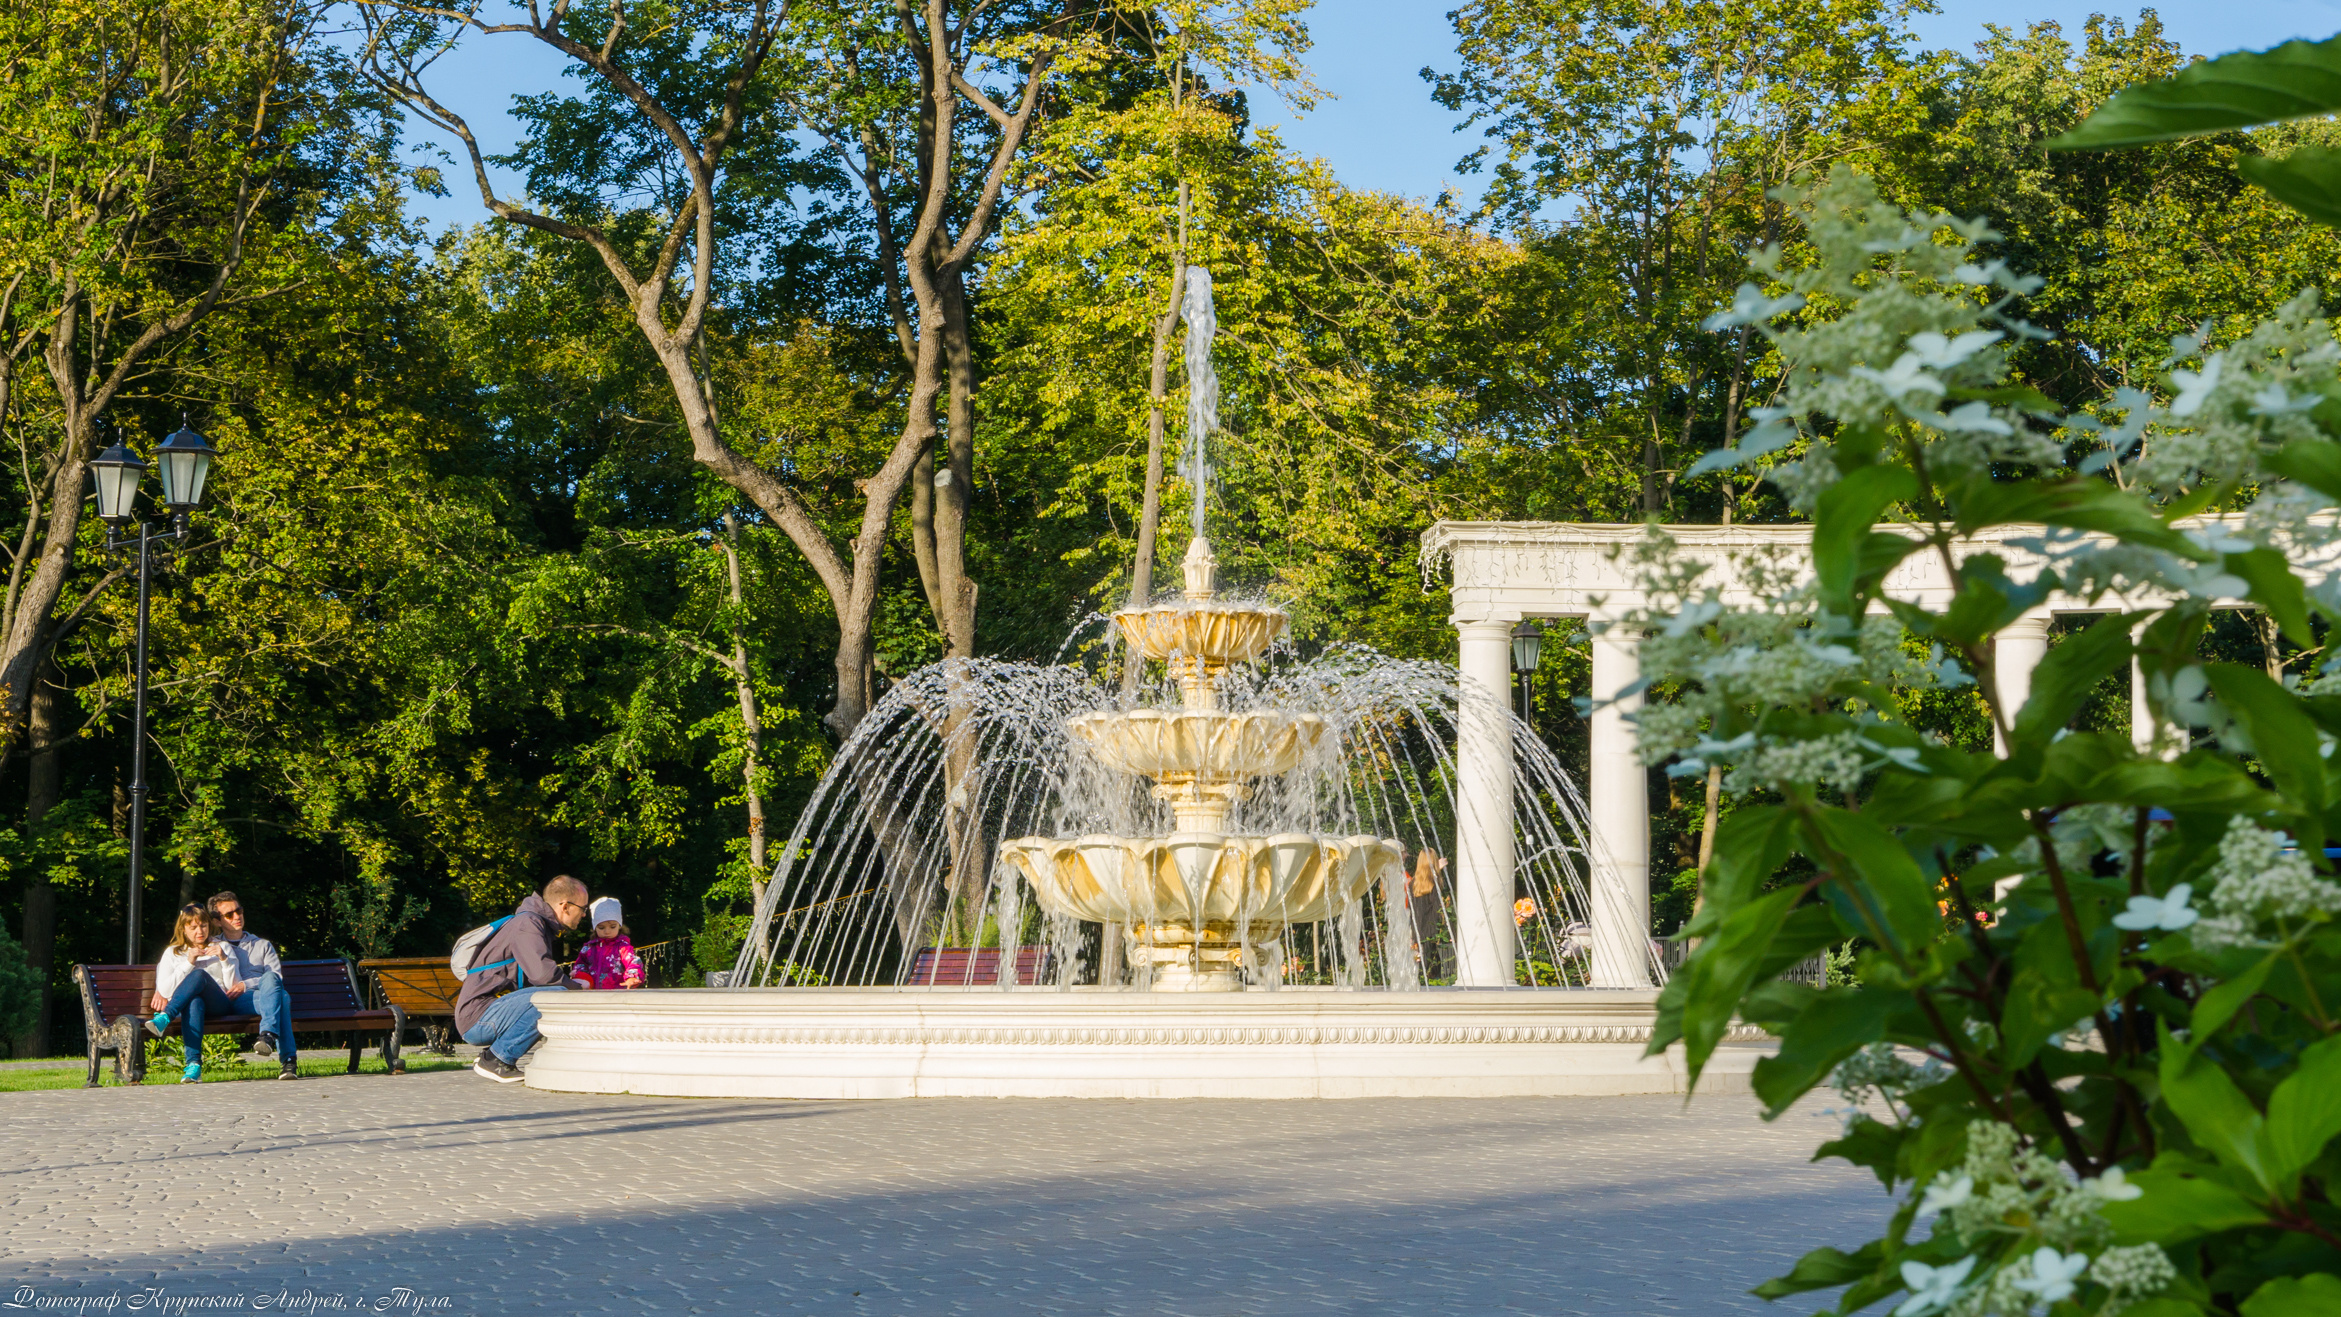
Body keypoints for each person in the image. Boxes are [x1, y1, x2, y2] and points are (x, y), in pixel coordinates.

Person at [456, 875, 591, 1083]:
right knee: (555, 997)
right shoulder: (528, 924)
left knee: (556, 993)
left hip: (487, 1012)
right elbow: (543, 976)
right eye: (583, 908)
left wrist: (567, 982)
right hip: (478, 1018)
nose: (583, 915)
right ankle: (497, 1059)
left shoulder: (534, 924)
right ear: (565, 906)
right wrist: (575, 988)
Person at [145, 905, 241, 1083]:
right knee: (194, 1001)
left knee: (199, 975)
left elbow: (234, 986)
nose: (200, 931)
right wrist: (188, 962)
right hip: (191, 1008)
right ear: (183, 929)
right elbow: (165, 990)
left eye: (203, 926)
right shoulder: (173, 953)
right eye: (193, 927)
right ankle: (193, 1066)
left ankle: (165, 1017)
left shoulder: (222, 947)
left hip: (219, 1004)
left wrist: (223, 959)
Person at [208, 889, 298, 1079]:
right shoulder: (214, 947)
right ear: (217, 921)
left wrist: (246, 984)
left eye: (239, 911)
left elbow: (276, 977)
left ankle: (267, 1035)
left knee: (275, 986)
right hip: (234, 1001)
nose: (237, 916)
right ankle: (288, 1060)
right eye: (229, 914)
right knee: (282, 998)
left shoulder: (262, 945)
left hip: (263, 996)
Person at [573, 897, 645, 990]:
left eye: (612, 927)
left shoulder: (622, 947)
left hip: (617, 994)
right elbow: (580, 964)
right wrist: (581, 976)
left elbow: (633, 962)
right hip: (592, 994)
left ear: (619, 926)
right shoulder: (589, 948)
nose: (607, 931)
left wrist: (632, 977)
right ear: (594, 928)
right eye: (601, 928)